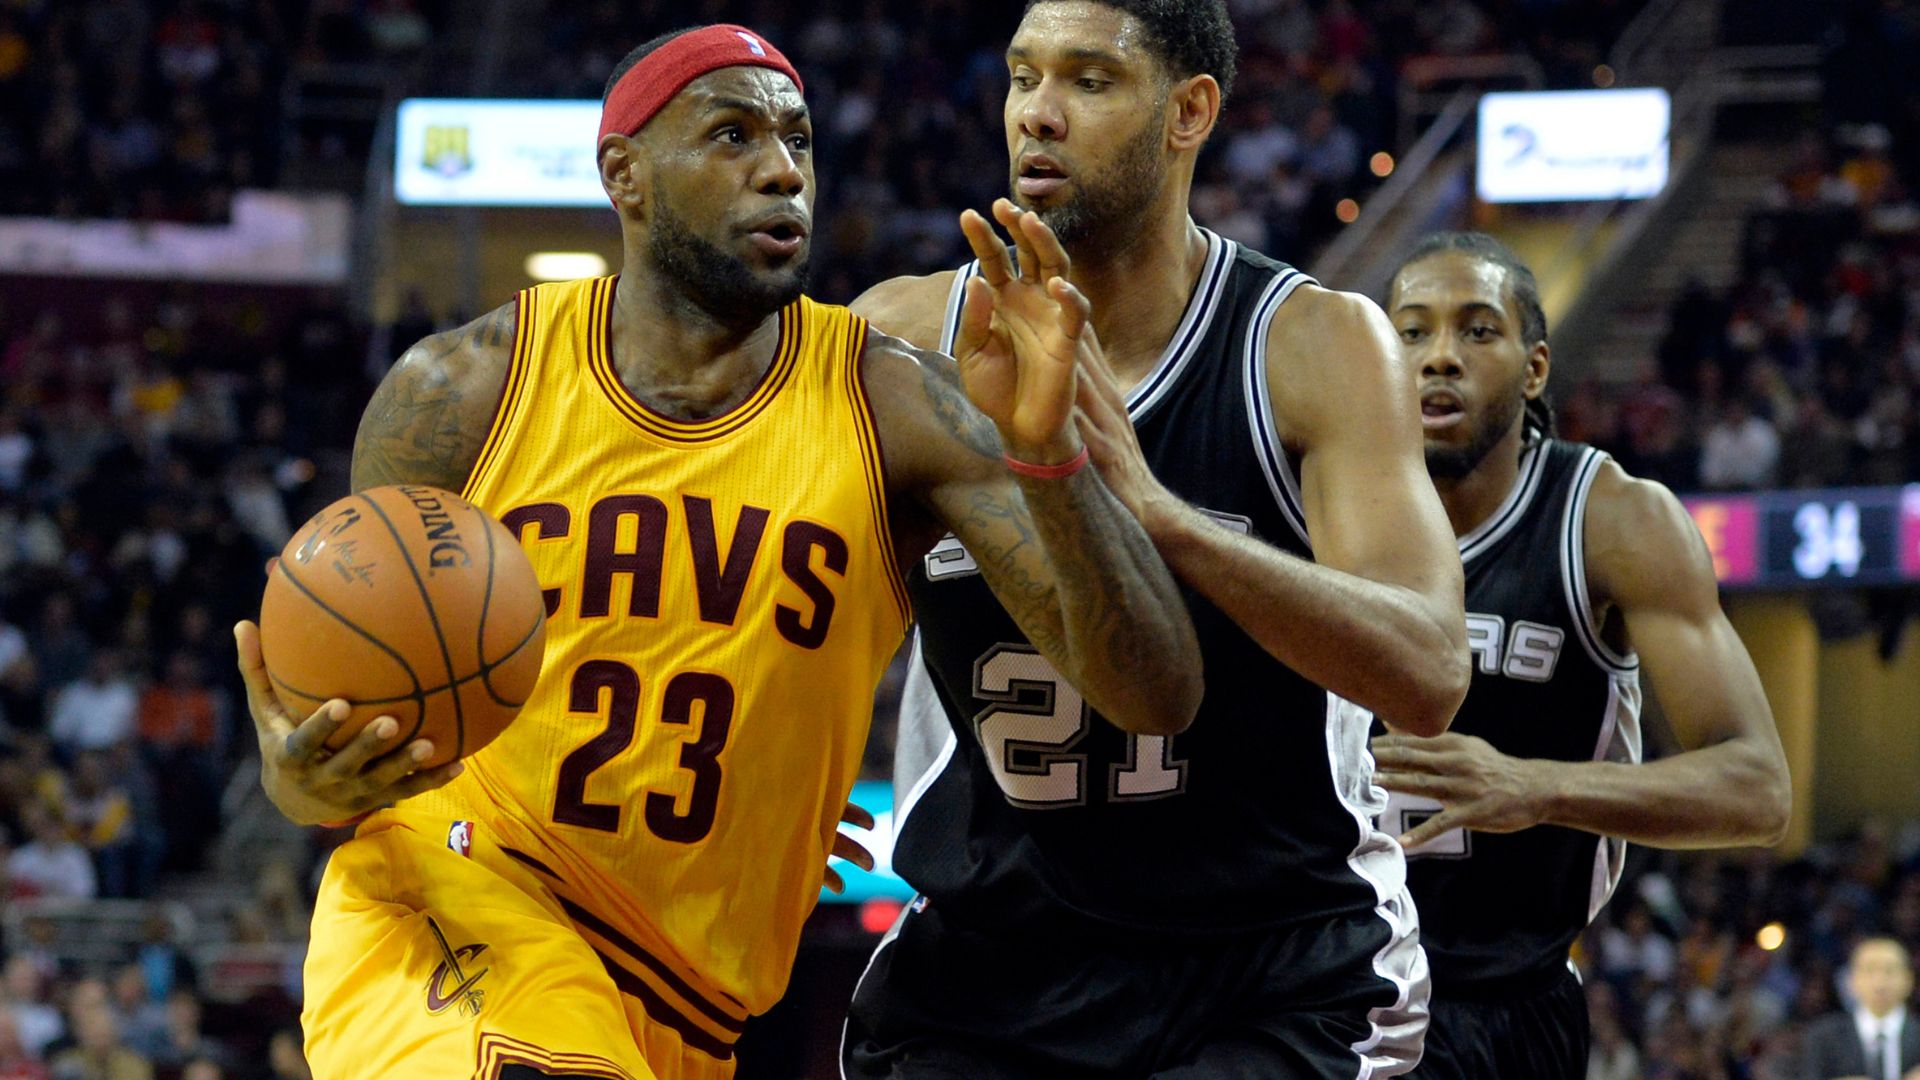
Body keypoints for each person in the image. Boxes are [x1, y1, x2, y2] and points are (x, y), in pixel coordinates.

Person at [231, 23, 1200, 1080]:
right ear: (626, 175)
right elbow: (333, 754)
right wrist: (306, 784)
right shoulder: (461, 391)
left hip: (689, 1008)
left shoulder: (894, 404)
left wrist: (1052, 455)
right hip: (457, 908)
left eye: (798, 140)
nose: (782, 170)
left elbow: (1154, 690)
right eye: (732, 135)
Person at [843, 1, 1468, 1074]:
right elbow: (797, 606)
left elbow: (1428, 673)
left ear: (1189, 111)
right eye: (1022, 76)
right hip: (993, 966)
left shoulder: (1312, 345)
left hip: (1272, 964)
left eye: (1088, 80)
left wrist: (1158, 513)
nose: (1038, 114)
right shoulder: (901, 339)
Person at [1367, 232, 1791, 1079]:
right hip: (1322, 983)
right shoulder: (1312, 504)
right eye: (1412, 332)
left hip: (1504, 1003)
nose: (1440, 357)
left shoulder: (1614, 520)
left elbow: (1758, 787)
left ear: (1534, 369)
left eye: (1476, 331)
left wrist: (1535, 787)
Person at [1801, 937, 1920, 1080]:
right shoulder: (1823, 1037)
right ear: (1852, 980)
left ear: (1909, 980)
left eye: (1890, 971)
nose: (1880, 982)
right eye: (1870, 970)